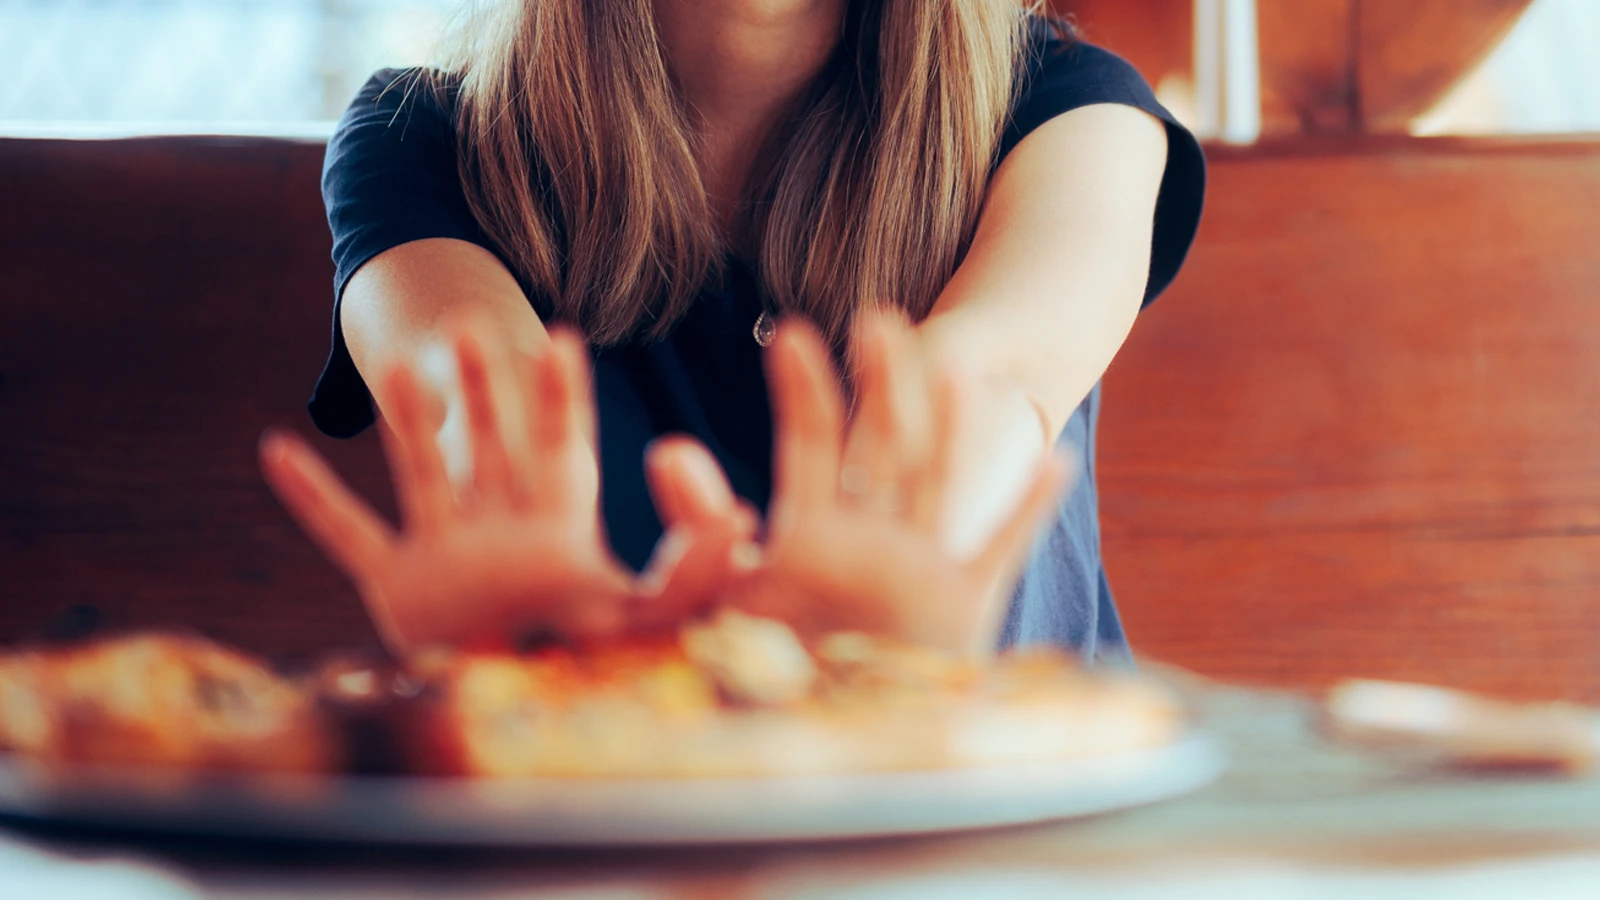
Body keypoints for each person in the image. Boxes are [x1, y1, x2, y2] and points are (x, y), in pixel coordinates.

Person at [265, 0, 1205, 662]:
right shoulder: (417, 140)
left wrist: (886, 580)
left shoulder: (1075, 112)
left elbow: (989, 385)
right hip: (615, 817)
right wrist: (546, 626)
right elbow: (475, 406)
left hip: (1008, 836)